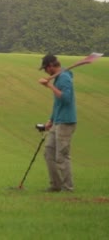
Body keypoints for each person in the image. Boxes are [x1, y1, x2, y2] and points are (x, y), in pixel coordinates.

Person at [38, 54, 77, 192]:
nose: (45, 72)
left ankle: (68, 188)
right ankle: (56, 185)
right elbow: (57, 103)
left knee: (61, 156)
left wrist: (49, 85)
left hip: (66, 122)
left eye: (45, 69)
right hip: (58, 121)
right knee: (49, 152)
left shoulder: (65, 78)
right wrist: (51, 119)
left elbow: (66, 99)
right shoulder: (58, 78)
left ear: (50, 66)